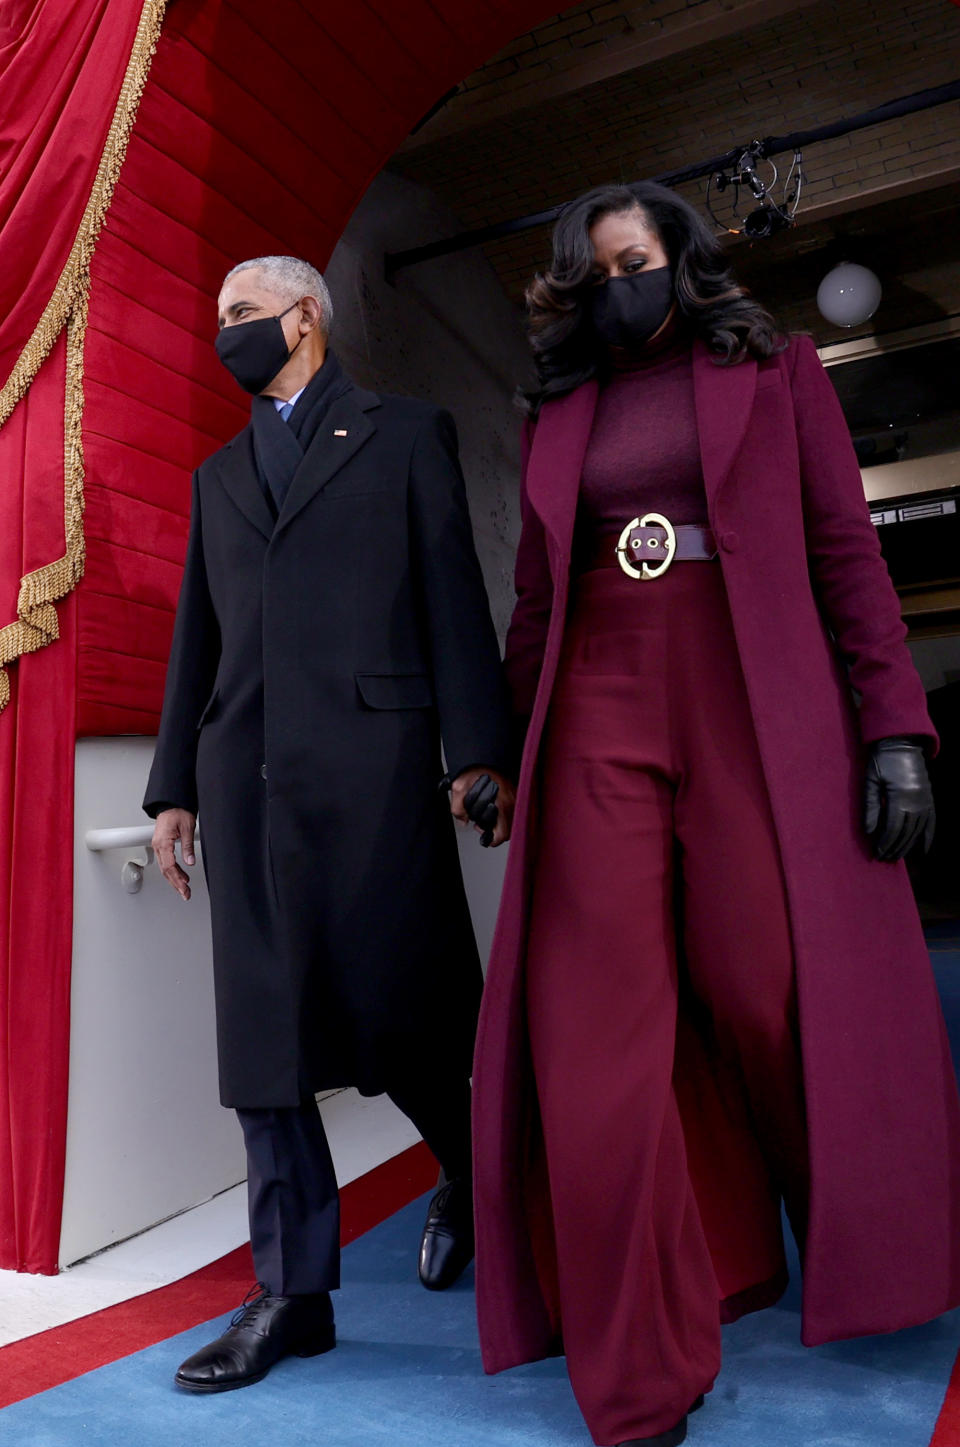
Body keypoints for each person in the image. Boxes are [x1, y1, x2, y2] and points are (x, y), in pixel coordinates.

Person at [470, 182, 960, 1447]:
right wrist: (495, 753)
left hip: (754, 700)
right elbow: (534, 602)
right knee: (594, 1034)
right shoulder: (556, 405)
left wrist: (897, 727)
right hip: (593, 710)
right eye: (590, 274)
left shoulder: (778, 370)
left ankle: (825, 1238)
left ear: (680, 260)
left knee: (763, 988)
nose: (614, 284)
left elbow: (849, 553)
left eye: (633, 260)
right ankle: (638, 1372)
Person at [144, 254, 515, 1394]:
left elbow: (453, 594)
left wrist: (478, 750)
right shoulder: (218, 476)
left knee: (408, 1020)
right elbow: (194, 644)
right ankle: (292, 1296)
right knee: (268, 1051)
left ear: (305, 317)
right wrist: (172, 790)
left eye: (244, 316)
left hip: (377, 780)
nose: (228, 336)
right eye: (220, 321)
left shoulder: (404, 434)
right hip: (247, 785)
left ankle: (473, 1178)